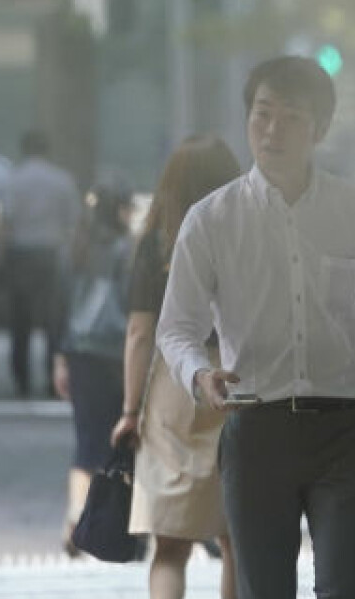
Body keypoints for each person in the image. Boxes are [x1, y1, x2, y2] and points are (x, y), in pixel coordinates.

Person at [157, 57, 355, 599]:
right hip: (257, 430)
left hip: (344, 431)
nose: (272, 130)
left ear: (319, 129)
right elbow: (176, 328)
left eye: (290, 118)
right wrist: (198, 376)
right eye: (262, 114)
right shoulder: (211, 220)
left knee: (347, 587)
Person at [111, 134, 244, 599]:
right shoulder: (248, 233)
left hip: (176, 384)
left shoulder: (157, 242)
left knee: (169, 547)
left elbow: (140, 334)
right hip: (237, 377)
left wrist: (130, 411)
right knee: (236, 539)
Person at [55, 182, 135, 553]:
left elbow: (59, 306)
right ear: (119, 209)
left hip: (79, 352)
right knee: (121, 438)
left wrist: (60, 357)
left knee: (86, 439)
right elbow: (134, 306)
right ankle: (123, 524)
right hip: (116, 354)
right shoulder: (126, 250)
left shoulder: (76, 247)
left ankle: (74, 515)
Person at [0, 129, 80, 398]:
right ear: (47, 149)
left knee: (20, 320)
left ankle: (21, 378)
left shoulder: (14, 180)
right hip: (52, 254)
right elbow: (73, 224)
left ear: (24, 149)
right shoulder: (62, 180)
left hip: (21, 254)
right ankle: (52, 377)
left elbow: (6, 222)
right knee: (53, 321)